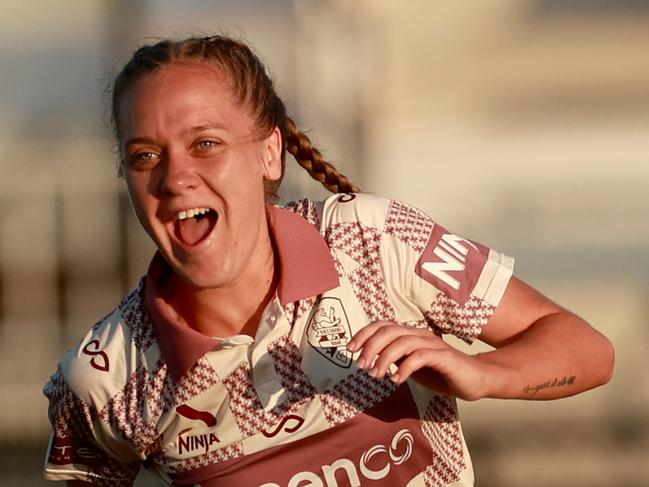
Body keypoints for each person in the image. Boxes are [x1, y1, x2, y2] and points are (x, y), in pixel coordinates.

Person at [42, 35, 614, 487]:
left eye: (206, 144)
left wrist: (483, 374)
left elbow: (587, 349)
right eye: (145, 155)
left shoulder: (372, 238)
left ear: (270, 154)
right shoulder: (102, 376)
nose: (175, 177)